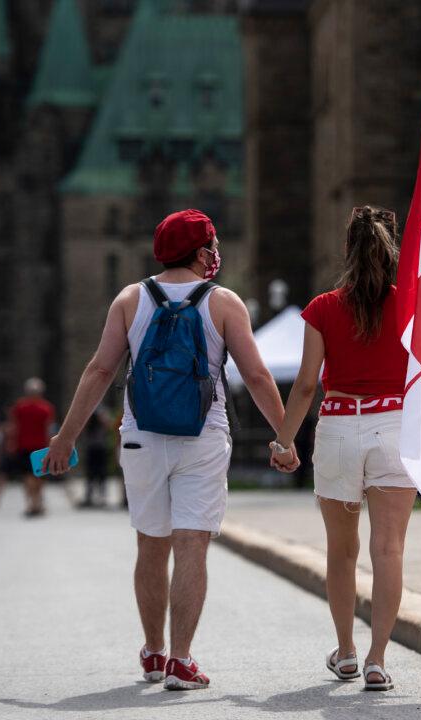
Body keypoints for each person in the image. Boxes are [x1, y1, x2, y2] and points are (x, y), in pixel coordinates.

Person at [42, 209, 296, 691]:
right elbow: (258, 377)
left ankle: (154, 653)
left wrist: (66, 437)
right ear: (202, 252)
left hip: (141, 435)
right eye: (213, 245)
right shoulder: (224, 303)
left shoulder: (129, 299)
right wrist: (284, 439)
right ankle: (182, 660)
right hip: (203, 435)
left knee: (150, 544)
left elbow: (100, 371)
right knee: (192, 544)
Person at [270, 205, 414, 691]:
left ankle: (347, 652)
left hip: (338, 427)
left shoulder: (323, 308)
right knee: (389, 548)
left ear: (347, 249)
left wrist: (284, 440)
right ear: (392, 250)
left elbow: (306, 385)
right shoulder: (412, 305)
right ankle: (377, 660)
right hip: (396, 425)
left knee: (342, 551)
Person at [10, 378, 56, 518]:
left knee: (28, 476)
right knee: (40, 476)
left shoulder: (19, 406)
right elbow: (50, 429)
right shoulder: (46, 408)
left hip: (24, 446)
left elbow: (14, 427)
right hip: (41, 447)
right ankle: (37, 503)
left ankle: (32, 504)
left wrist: (11, 443)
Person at [78, 406, 112, 508]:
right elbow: (82, 428)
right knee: (90, 473)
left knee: (102, 473)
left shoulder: (102, 412)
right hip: (91, 447)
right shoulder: (88, 411)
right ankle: (89, 495)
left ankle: (102, 496)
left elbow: (108, 426)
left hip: (101, 447)